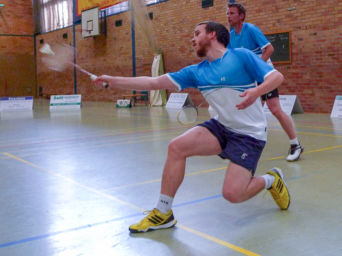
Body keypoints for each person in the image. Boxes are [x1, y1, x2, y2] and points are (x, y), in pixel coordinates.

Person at [94, 21, 290, 233]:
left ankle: (271, 179)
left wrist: (255, 92)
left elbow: (277, 77)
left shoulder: (240, 56)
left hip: (249, 135)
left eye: (197, 33)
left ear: (213, 35)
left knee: (233, 194)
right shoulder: (196, 72)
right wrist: (114, 80)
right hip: (221, 127)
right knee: (177, 147)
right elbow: (153, 83)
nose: (192, 38)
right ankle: (163, 212)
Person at [227, 3, 303, 162]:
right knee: (251, 111)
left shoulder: (251, 29)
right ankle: (247, 145)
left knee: (275, 109)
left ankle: (295, 145)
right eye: (228, 13)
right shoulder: (231, 35)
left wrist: (257, 67)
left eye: (232, 13)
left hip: (265, 74)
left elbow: (269, 49)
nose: (228, 16)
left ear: (241, 16)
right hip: (251, 77)